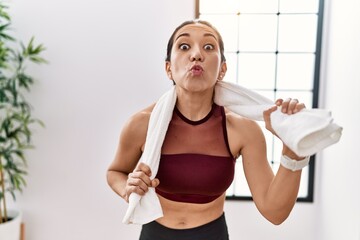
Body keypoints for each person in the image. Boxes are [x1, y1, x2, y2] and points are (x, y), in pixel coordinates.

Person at [107, 19, 308, 240]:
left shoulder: (242, 130)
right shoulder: (141, 124)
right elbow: (115, 172)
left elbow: (274, 212)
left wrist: (293, 151)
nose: (196, 54)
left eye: (209, 47)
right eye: (184, 46)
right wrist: (127, 186)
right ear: (168, 68)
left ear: (222, 69)